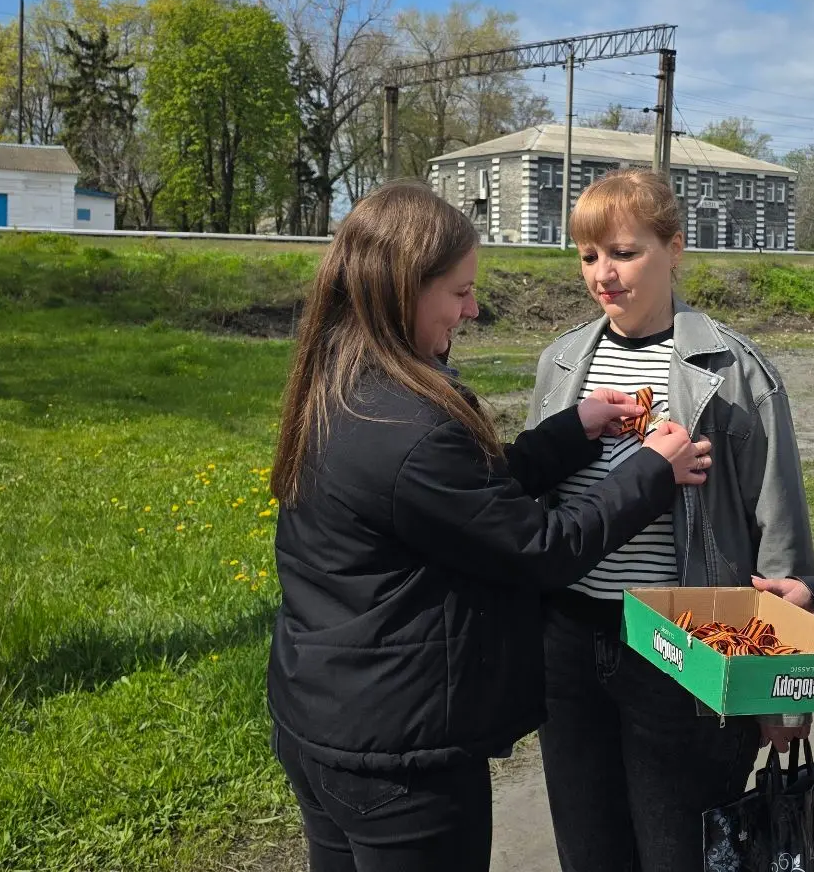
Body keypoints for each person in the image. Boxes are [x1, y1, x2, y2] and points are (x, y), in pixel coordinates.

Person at [266, 181, 715, 872]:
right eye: (460, 291)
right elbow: (539, 547)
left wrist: (572, 430)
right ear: (403, 289)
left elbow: (465, 494)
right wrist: (652, 470)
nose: (473, 309)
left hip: (323, 719)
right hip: (400, 756)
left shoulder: (342, 386)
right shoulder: (410, 426)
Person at [525, 169, 814, 872]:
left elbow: (779, 526)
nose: (603, 274)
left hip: (684, 646)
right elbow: (536, 498)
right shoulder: (562, 361)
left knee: (678, 850)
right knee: (588, 849)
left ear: (675, 249)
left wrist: (782, 691)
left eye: (624, 253)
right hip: (571, 643)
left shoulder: (736, 369)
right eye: (589, 255)